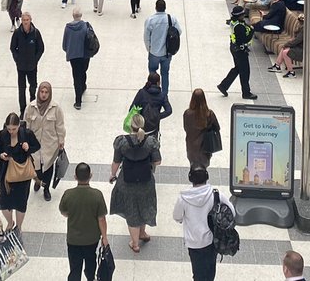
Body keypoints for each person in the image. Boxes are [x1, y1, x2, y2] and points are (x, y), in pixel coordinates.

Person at [109, 112, 161, 253]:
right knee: (144, 206)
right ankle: (142, 233)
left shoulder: (122, 142)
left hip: (127, 182)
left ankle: (135, 243)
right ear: (143, 125)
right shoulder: (150, 141)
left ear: (130, 125)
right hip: (146, 182)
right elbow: (157, 161)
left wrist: (113, 175)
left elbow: (116, 162)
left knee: (131, 211)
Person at [173, 166, 234, 281]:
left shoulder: (183, 198)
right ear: (207, 177)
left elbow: (177, 217)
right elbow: (232, 211)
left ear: (190, 178)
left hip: (193, 243)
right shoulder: (216, 194)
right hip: (211, 241)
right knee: (210, 271)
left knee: (198, 273)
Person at [60, 162, 109, 281]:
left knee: (74, 267)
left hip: (73, 240)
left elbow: (63, 212)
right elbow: (101, 219)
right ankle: (90, 277)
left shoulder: (68, 194)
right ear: (90, 175)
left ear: (75, 177)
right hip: (91, 239)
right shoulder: (97, 195)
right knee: (91, 262)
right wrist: (104, 237)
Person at [0, 111, 40, 232]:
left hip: (23, 174)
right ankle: (10, 222)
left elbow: (37, 146)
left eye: (14, 129)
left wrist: (28, 148)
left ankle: (19, 226)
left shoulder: (27, 134)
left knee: (21, 202)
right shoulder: (2, 134)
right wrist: (1, 155)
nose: (11, 131)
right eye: (9, 129)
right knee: (5, 201)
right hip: (6, 173)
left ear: (19, 126)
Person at [24, 81, 66, 202]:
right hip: (34, 144)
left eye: (46, 92)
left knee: (48, 167)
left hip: (50, 144)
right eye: (42, 92)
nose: (43, 94)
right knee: (36, 166)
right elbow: (26, 125)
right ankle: (38, 181)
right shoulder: (31, 107)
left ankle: (46, 188)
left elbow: (60, 126)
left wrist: (61, 140)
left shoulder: (56, 108)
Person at [217, 6, 256, 100]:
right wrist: (252, 31)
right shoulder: (239, 26)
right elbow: (244, 39)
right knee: (245, 72)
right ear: (239, 16)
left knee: (238, 68)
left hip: (234, 48)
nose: (244, 15)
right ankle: (246, 93)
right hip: (240, 51)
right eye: (242, 14)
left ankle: (224, 85)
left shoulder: (235, 22)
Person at [144, 0, 181, 95]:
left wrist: (149, 48)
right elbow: (179, 31)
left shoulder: (150, 20)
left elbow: (146, 37)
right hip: (167, 53)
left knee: (152, 72)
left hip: (154, 53)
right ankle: (164, 94)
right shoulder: (172, 19)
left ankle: (153, 91)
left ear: (156, 8)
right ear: (165, 8)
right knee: (165, 73)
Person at [10, 11, 44, 111]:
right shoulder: (17, 33)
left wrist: (35, 60)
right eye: (24, 20)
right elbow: (12, 47)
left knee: (33, 85)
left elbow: (41, 48)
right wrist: (17, 59)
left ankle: (33, 104)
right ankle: (22, 109)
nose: (25, 22)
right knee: (21, 88)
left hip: (32, 66)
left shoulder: (36, 33)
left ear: (30, 20)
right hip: (20, 66)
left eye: (27, 20)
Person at [62, 7, 93, 110]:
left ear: (73, 16)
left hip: (73, 56)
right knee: (83, 71)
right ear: (81, 16)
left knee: (76, 76)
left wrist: (67, 50)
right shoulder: (85, 27)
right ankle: (83, 86)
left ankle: (78, 101)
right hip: (85, 55)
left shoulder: (68, 28)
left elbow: (65, 44)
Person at [182, 88, 219, 169]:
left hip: (191, 146)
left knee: (193, 168)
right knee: (203, 169)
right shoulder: (209, 114)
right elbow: (217, 128)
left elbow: (185, 128)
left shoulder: (187, 113)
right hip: (205, 147)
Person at [129, 71, 173, 135]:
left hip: (140, 127)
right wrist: (157, 116)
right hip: (153, 128)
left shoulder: (141, 92)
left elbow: (132, 109)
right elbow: (169, 111)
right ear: (158, 83)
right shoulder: (162, 95)